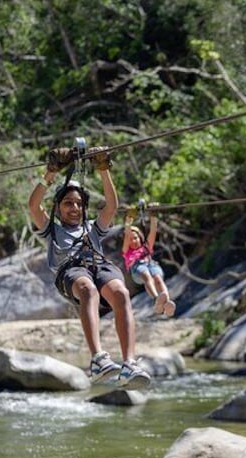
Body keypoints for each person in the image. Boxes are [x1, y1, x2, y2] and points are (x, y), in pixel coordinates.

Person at [28, 147, 151, 389]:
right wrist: (50, 173)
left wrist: (104, 169)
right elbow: (34, 206)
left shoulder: (93, 227)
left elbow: (111, 206)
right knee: (87, 289)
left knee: (121, 293)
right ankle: (97, 359)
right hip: (71, 271)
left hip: (99, 265)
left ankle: (129, 363)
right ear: (58, 207)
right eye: (68, 204)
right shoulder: (51, 229)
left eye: (79, 204)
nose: (74, 208)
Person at [122, 210, 176, 317]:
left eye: (136, 238)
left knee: (158, 278)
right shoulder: (126, 251)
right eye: (131, 239)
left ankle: (166, 302)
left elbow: (153, 231)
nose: (133, 241)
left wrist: (154, 216)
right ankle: (157, 299)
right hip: (137, 269)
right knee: (146, 275)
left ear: (140, 237)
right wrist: (129, 220)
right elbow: (127, 233)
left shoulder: (146, 247)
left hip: (151, 265)